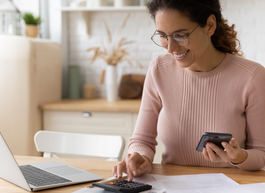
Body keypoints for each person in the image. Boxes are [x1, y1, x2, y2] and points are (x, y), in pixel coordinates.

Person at [113, 0, 265, 181]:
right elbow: (142, 140)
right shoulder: (159, 69)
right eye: (163, 35)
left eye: (180, 35)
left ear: (209, 26)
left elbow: (261, 154)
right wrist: (140, 157)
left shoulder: (252, 76)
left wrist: (238, 157)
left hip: (230, 185)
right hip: (171, 186)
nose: (170, 48)